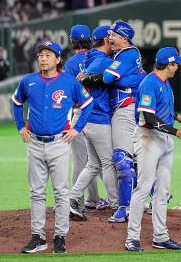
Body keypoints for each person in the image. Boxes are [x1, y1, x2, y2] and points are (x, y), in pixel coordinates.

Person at [12, 41, 93, 254]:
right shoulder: (28, 81)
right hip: (35, 143)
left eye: (48, 54)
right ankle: (38, 237)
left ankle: (60, 236)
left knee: (60, 192)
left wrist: (76, 129)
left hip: (59, 143)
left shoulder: (69, 82)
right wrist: (21, 126)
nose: (43, 58)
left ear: (58, 59)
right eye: (41, 54)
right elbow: (16, 102)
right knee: (36, 192)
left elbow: (87, 104)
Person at [124, 47, 181, 252]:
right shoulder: (149, 83)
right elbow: (149, 117)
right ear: (169, 64)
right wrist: (176, 131)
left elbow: (164, 111)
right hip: (148, 139)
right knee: (144, 187)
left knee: (163, 191)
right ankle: (132, 238)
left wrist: (180, 118)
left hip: (164, 139)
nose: (178, 66)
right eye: (176, 63)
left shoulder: (164, 83)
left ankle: (161, 236)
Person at [69, 26, 119, 220]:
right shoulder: (103, 61)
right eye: (111, 38)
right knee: (108, 163)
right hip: (98, 117)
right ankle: (116, 205)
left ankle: (72, 198)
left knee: (93, 165)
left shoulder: (90, 59)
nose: (113, 41)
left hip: (85, 116)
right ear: (106, 41)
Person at [103, 21, 146, 223]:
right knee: (134, 158)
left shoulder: (128, 53)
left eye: (113, 34)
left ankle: (125, 207)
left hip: (125, 108)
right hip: (126, 108)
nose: (109, 37)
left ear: (124, 38)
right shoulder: (124, 55)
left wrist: (124, 80)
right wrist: (131, 79)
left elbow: (108, 77)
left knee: (122, 158)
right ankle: (151, 194)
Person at [63, 25, 102, 211]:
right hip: (101, 114)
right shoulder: (99, 58)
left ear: (72, 41)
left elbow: (69, 95)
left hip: (80, 114)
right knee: (100, 161)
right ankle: (97, 199)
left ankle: (76, 201)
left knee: (80, 161)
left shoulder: (70, 64)